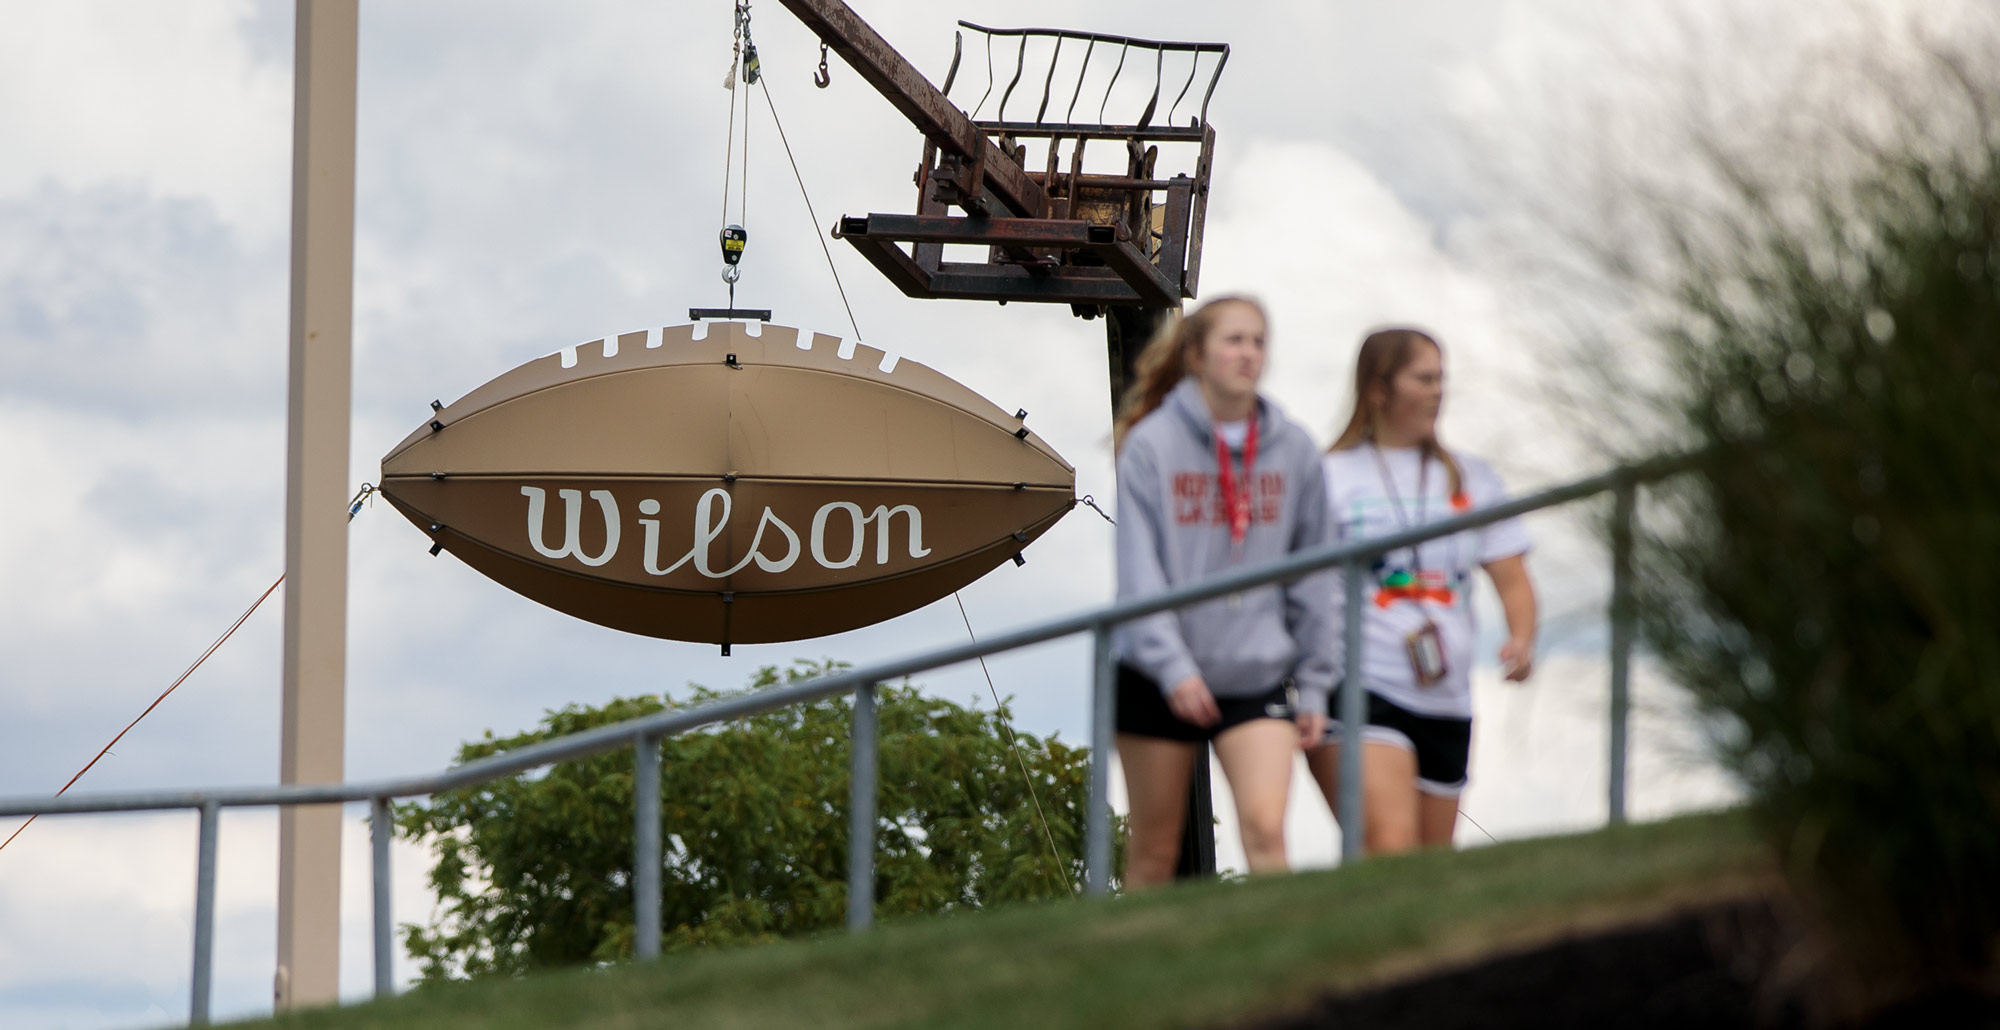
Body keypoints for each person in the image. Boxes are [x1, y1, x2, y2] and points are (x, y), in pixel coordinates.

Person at [1112, 295, 1336, 888]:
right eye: (1234, 340)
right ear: (1196, 354)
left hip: (1254, 673)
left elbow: (1316, 574)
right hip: (1158, 675)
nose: (1249, 354)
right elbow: (1139, 571)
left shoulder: (1294, 447)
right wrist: (1175, 669)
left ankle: (1286, 981)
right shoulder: (1151, 444)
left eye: (1259, 341)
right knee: (1155, 852)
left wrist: (1314, 684)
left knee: (1266, 830)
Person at [1307, 327, 1538, 855]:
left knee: (1430, 875)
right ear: (1379, 389)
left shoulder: (1471, 477)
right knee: (1390, 846)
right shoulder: (1332, 475)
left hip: (1446, 695)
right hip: (1361, 681)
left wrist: (1522, 638)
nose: (1438, 391)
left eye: (1442, 379)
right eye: (1424, 378)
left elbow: (1513, 577)